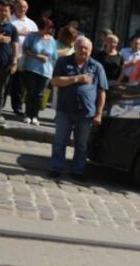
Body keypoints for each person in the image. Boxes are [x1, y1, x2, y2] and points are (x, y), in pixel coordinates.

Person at [48, 36, 107, 180]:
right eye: (80, 47)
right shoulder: (63, 61)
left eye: (86, 48)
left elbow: (102, 91)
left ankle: (78, 171)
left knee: (81, 144)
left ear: (91, 51)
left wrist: (99, 113)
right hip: (65, 110)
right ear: (75, 48)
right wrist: (76, 78)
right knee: (60, 141)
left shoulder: (96, 66)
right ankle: (56, 168)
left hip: (86, 113)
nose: (83, 50)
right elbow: (55, 81)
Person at [20, 17, 55, 125]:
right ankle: (27, 114)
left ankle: (35, 116)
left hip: (46, 71)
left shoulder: (52, 40)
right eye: (47, 28)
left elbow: (54, 57)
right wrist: (37, 56)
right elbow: (25, 50)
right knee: (30, 92)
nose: (49, 30)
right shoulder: (32, 36)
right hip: (31, 68)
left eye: (50, 28)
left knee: (39, 94)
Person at [9, 0, 36, 117]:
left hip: (23, 59)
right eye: (19, 6)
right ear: (14, 6)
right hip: (7, 57)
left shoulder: (31, 24)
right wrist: (19, 33)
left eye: (24, 7)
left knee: (19, 86)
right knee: (3, 85)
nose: (22, 8)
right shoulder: (9, 19)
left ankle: (17, 108)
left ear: (27, 8)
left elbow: (36, 40)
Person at [0, 0, 18, 128]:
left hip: (4, 65)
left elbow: (15, 45)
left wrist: (14, 62)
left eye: (6, 10)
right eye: (1, 10)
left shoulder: (11, 28)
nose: (3, 12)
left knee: (0, 91)